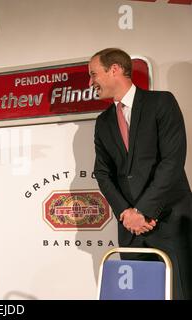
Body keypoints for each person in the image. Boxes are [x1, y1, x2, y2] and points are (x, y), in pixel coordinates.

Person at [90, 48, 192, 299]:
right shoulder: (103, 122)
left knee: (178, 293)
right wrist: (127, 214)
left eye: (93, 74)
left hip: (169, 221)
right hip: (130, 229)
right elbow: (102, 173)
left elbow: (172, 161)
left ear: (114, 69)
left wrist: (143, 211)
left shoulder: (161, 102)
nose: (91, 82)